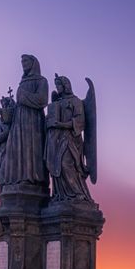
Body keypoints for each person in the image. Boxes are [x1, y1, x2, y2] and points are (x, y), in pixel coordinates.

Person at [0, 54, 49, 188]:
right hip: (19, 119)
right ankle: (18, 178)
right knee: (15, 147)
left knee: (31, 147)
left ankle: (32, 179)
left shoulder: (41, 80)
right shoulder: (22, 82)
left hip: (33, 121)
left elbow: (42, 100)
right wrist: (13, 104)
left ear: (33, 63)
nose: (23, 64)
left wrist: (23, 96)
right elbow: (21, 101)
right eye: (22, 62)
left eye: (26, 61)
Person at [46, 74, 93, 202]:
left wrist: (61, 124)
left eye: (59, 85)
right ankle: (61, 195)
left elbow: (79, 121)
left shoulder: (75, 101)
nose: (57, 88)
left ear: (66, 85)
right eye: (56, 86)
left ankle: (78, 193)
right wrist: (49, 123)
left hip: (71, 139)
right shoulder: (57, 103)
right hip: (56, 139)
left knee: (66, 164)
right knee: (56, 167)